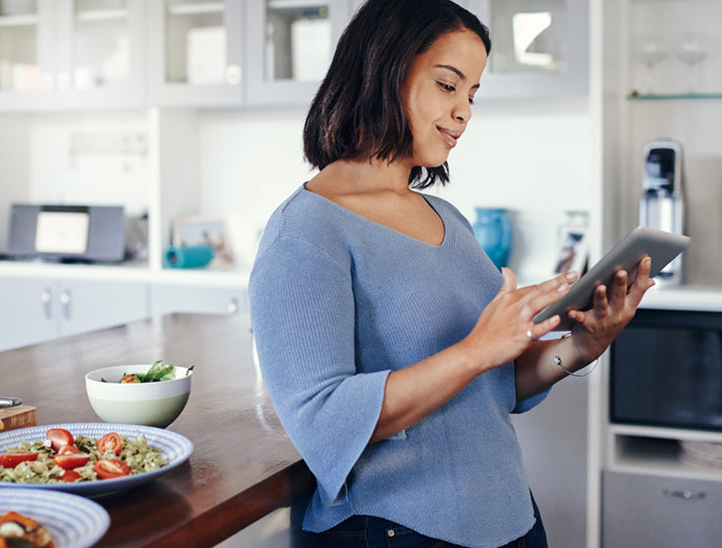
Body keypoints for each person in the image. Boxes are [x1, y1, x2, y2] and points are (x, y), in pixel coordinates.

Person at [248, 1, 654, 546]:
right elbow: (323, 421)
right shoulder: (303, 235)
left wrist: (581, 346)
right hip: (398, 529)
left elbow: (493, 382)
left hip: (510, 515)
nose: (464, 111)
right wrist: (477, 348)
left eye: (472, 93)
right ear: (381, 68)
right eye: (447, 84)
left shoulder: (447, 219)